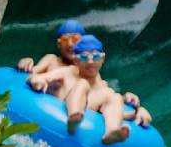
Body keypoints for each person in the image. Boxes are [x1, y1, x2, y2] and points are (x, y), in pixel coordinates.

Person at [18, 18, 149, 123]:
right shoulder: (51, 60)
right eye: (65, 39)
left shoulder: (89, 71)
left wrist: (128, 102)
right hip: (49, 109)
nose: (70, 44)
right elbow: (29, 75)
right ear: (59, 43)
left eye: (75, 40)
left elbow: (100, 94)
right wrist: (25, 62)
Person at [62, 35, 137, 144]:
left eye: (96, 56)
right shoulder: (68, 72)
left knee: (114, 96)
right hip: (69, 106)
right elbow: (40, 78)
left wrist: (137, 112)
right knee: (82, 84)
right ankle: (74, 115)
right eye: (84, 57)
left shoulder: (104, 88)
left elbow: (111, 110)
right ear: (76, 60)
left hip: (91, 112)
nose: (91, 62)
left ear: (103, 58)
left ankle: (112, 131)